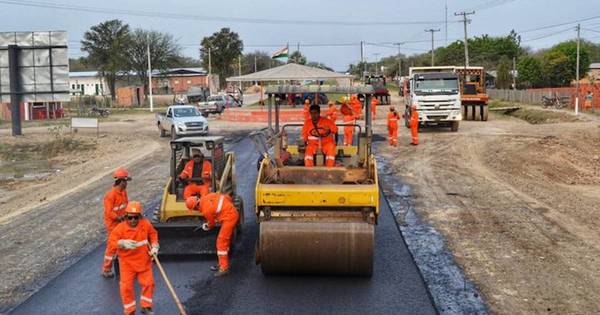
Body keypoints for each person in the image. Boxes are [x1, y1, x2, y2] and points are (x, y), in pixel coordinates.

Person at [106, 201, 159, 315]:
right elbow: (111, 242)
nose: (133, 220)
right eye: (130, 218)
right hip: (127, 264)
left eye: (135, 217)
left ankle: (146, 307)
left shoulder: (145, 224)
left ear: (139, 216)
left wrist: (155, 246)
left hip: (144, 262)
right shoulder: (120, 229)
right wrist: (121, 243)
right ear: (126, 217)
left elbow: (153, 234)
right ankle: (129, 310)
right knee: (126, 288)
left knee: (148, 284)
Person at [185, 193, 239, 276]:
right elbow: (226, 197)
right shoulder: (208, 196)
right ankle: (222, 263)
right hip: (230, 213)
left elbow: (211, 224)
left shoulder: (205, 210)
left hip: (229, 218)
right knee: (225, 240)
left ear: (195, 207)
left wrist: (206, 226)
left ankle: (224, 268)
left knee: (221, 242)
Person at [102, 167, 131, 278]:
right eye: (126, 181)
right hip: (113, 225)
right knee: (113, 247)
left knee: (125, 244)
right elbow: (109, 212)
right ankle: (106, 269)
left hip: (122, 223)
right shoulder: (110, 195)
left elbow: (126, 205)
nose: (127, 184)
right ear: (121, 181)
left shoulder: (123, 192)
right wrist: (119, 218)